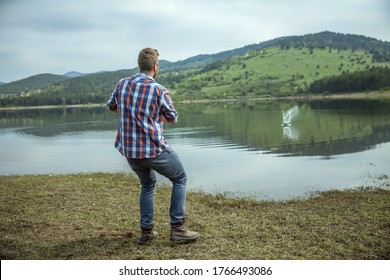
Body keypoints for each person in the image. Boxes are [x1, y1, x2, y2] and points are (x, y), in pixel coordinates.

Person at [107, 48, 199, 245]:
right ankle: (178, 228)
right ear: (155, 67)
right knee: (180, 178)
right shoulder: (159, 90)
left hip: (130, 151)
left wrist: (131, 113)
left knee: (147, 185)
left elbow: (112, 106)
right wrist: (153, 115)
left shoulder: (122, 84)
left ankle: (147, 232)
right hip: (153, 149)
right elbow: (172, 118)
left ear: (139, 65)